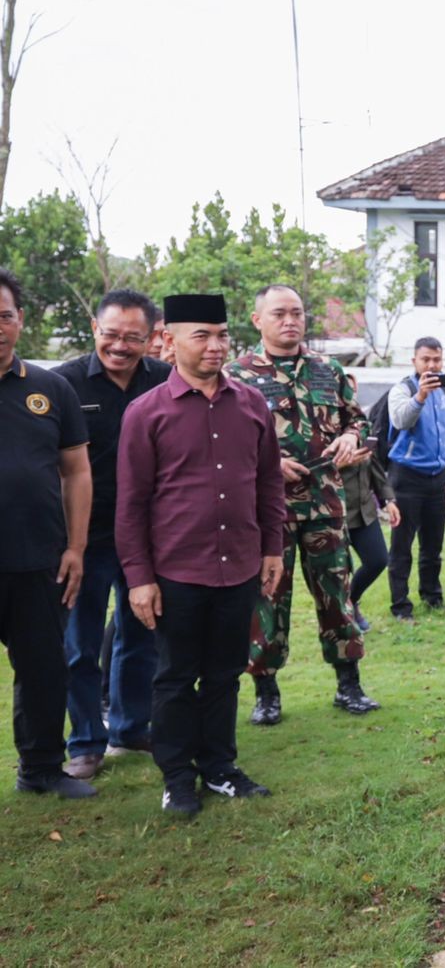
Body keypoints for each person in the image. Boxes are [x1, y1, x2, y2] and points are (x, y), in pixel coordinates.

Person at [118, 294, 287, 817]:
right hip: (176, 573)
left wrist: (272, 547)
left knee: (224, 673)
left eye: (222, 335)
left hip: (238, 566)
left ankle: (218, 767)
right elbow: (131, 504)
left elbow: (267, 482)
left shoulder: (251, 404)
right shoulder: (146, 413)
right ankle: (177, 775)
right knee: (174, 676)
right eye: (202, 336)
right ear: (169, 340)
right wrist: (139, 578)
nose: (216, 346)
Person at [227, 284, 377, 724]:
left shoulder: (328, 369)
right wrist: (269, 463)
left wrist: (351, 437)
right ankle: (266, 692)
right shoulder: (237, 377)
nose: (289, 320)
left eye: (296, 313)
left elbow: (360, 422)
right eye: (279, 313)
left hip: (325, 505)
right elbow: (227, 444)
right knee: (268, 598)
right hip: (268, 510)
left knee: (337, 595)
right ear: (258, 320)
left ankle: (349, 684)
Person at [55, 288, 171, 779]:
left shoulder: (166, 381)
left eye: (133, 337)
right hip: (85, 536)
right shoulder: (62, 385)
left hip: (149, 535)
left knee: (141, 635)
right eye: (111, 335)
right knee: (80, 643)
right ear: (94, 331)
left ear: (151, 338)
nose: (120, 346)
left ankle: (130, 724)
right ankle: (85, 741)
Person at [0, 268, 95, 800]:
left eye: (4, 315)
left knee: (43, 670)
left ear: (20, 320)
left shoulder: (49, 388)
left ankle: (40, 769)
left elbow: (76, 471)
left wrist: (76, 547)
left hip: (38, 559)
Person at [385, 337, 445, 619]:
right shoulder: (402, 390)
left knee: (433, 546)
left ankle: (432, 596)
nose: (432, 365)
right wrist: (420, 397)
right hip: (407, 477)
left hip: (436, 478)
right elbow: (400, 421)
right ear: (414, 361)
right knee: (402, 547)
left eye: (437, 359)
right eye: (426, 359)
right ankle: (400, 605)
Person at [340, 374, 399, 633]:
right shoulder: (317, 427)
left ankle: (351, 600)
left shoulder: (360, 426)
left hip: (363, 511)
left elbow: (375, 467)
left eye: (352, 392)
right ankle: (343, 617)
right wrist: (338, 463)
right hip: (333, 512)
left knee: (377, 559)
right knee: (339, 571)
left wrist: (388, 499)